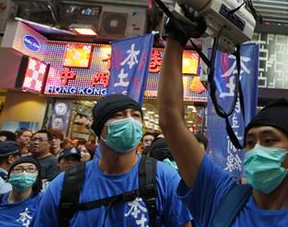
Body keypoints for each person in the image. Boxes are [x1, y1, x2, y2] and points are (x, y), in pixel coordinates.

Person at [157, 17, 288, 227]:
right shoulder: (219, 196)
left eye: (269, 140)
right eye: (250, 142)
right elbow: (171, 121)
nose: (256, 150)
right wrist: (176, 37)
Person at [34, 94, 192, 226]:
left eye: (135, 115)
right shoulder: (65, 185)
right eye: (119, 115)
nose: (129, 121)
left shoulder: (165, 177)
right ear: (99, 128)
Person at [0, 156, 43, 227]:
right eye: (18, 169)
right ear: (9, 175)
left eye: (30, 169)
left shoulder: (43, 201)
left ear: (37, 175)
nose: (24, 173)